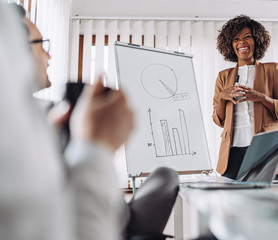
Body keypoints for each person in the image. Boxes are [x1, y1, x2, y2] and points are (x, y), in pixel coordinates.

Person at [1, 4, 179, 240]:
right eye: (41, 45)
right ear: (15, 53)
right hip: (103, 225)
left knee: (166, 175)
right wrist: (95, 148)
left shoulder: (36, 119)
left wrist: (57, 139)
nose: (49, 55)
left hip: (106, 215)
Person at [213, 15, 278, 180]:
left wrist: (261, 97)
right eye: (236, 39)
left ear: (257, 40)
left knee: (266, 201)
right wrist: (222, 97)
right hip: (232, 153)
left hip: (265, 149)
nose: (241, 43)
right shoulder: (223, 77)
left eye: (247, 37)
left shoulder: (273, 70)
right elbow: (219, 120)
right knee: (231, 203)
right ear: (230, 45)